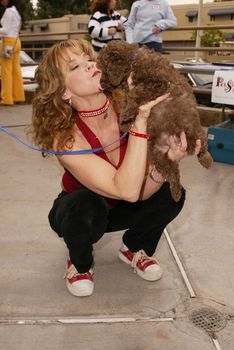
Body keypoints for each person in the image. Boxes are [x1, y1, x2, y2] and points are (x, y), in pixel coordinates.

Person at [31, 38, 201, 297]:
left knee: (173, 194)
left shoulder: (127, 106)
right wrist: (140, 122)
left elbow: (139, 193)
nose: (89, 65)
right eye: (75, 67)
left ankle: (134, 248)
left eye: (89, 59)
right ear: (64, 92)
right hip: (83, 211)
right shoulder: (64, 136)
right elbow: (126, 190)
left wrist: (165, 164)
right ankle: (80, 264)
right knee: (86, 206)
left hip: (123, 203)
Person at [0, 0, 25, 105]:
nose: (1, 2)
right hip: (16, 41)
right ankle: (18, 96)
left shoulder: (8, 11)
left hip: (8, 42)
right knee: (16, 70)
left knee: (6, 71)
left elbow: (5, 30)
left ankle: (7, 99)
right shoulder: (17, 12)